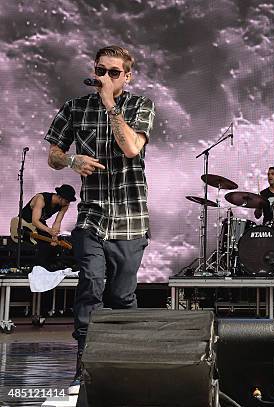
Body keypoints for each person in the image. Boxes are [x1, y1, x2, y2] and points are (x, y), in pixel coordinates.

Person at [44, 45, 155, 394]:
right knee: (91, 284)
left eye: (113, 72)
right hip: (92, 214)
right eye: (100, 70)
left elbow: (132, 148)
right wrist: (72, 161)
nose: (104, 77)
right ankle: (84, 366)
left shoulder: (140, 106)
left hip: (130, 216)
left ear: (128, 75)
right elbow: (53, 154)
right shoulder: (75, 108)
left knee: (122, 296)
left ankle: (128, 361)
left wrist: (110, 105)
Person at [16, 184, 76, 268]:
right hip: (24, 223)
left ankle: (47, 266)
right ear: (60, 197)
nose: (68, 203)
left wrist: (54, 235)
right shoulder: (41, 198)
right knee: (45, 243)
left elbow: (57, 222)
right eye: (67, 201)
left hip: (39, 223)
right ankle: (39, 266)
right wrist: (49, 230)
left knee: (53, 243)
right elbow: (35, 221)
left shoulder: (65, 205)